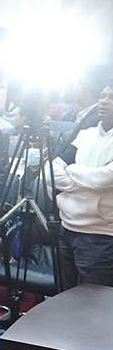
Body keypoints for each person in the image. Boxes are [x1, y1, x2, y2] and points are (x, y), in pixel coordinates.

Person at [54, 83, 113, 287]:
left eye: (111, 97)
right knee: (63, 297)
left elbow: (103, 179)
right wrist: (85, 182)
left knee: (91, 302)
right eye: (102, 96)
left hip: (100, 236)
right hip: (66, 227)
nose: (103, 101)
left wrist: (71, 170)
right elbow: (52, 170)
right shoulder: (85, 134)